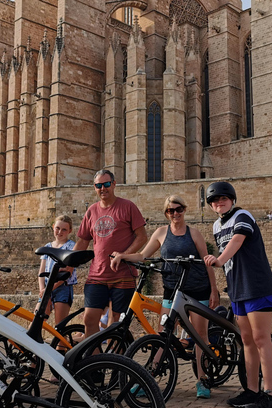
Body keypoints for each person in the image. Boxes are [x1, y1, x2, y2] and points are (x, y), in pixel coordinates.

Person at [111, 194, 219, 399]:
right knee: (163, 335)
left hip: (197, 289)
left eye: (179, 209)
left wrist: (214, 289)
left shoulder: (194, 234)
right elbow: (143, 255)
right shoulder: (161, 233)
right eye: (171, 210)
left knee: (200, 336)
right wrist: (123, 255)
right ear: (166, 213)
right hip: (172, 289)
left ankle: (201, 379)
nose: (175, 213)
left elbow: (207, 263)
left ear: (184, 210)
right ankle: (149, 378)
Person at [203, 182, 272, 408]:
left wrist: (218, 260)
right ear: (211, 206)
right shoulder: (217, 226)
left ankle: (270, 395)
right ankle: (252, 391)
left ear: (232, 198)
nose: (219, 202)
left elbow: (237, 241)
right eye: (214, 200)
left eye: (224, 198)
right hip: (237, 289)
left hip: (256, 285)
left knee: (260, 339)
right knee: (245, 341)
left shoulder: (242, 215)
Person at [73, 169, 148, 339]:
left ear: (114, 184)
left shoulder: (127, 206)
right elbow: (83, 241)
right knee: (90, 319)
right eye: (98, 185)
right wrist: (68, 265)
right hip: (96, 275)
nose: (102, 188)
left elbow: (142, 237)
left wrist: (124, 254)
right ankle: (96, 362)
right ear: (94, 187)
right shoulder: (91, 211)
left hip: (123, 275)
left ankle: (116, 363)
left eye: (106, 184)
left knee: (116, 323)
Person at [36, 214, 77, 326]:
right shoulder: (47, 247)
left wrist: (49, 289)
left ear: (70, 231)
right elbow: (41, 271)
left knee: (59, 327)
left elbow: (68, 272)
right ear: (53, 227)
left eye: (64, 229)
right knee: (36, 323)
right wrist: (43, 290)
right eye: (58, 228)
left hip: (62, 287)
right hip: (46, 288)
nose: (60, 232)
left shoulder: (72, 247)